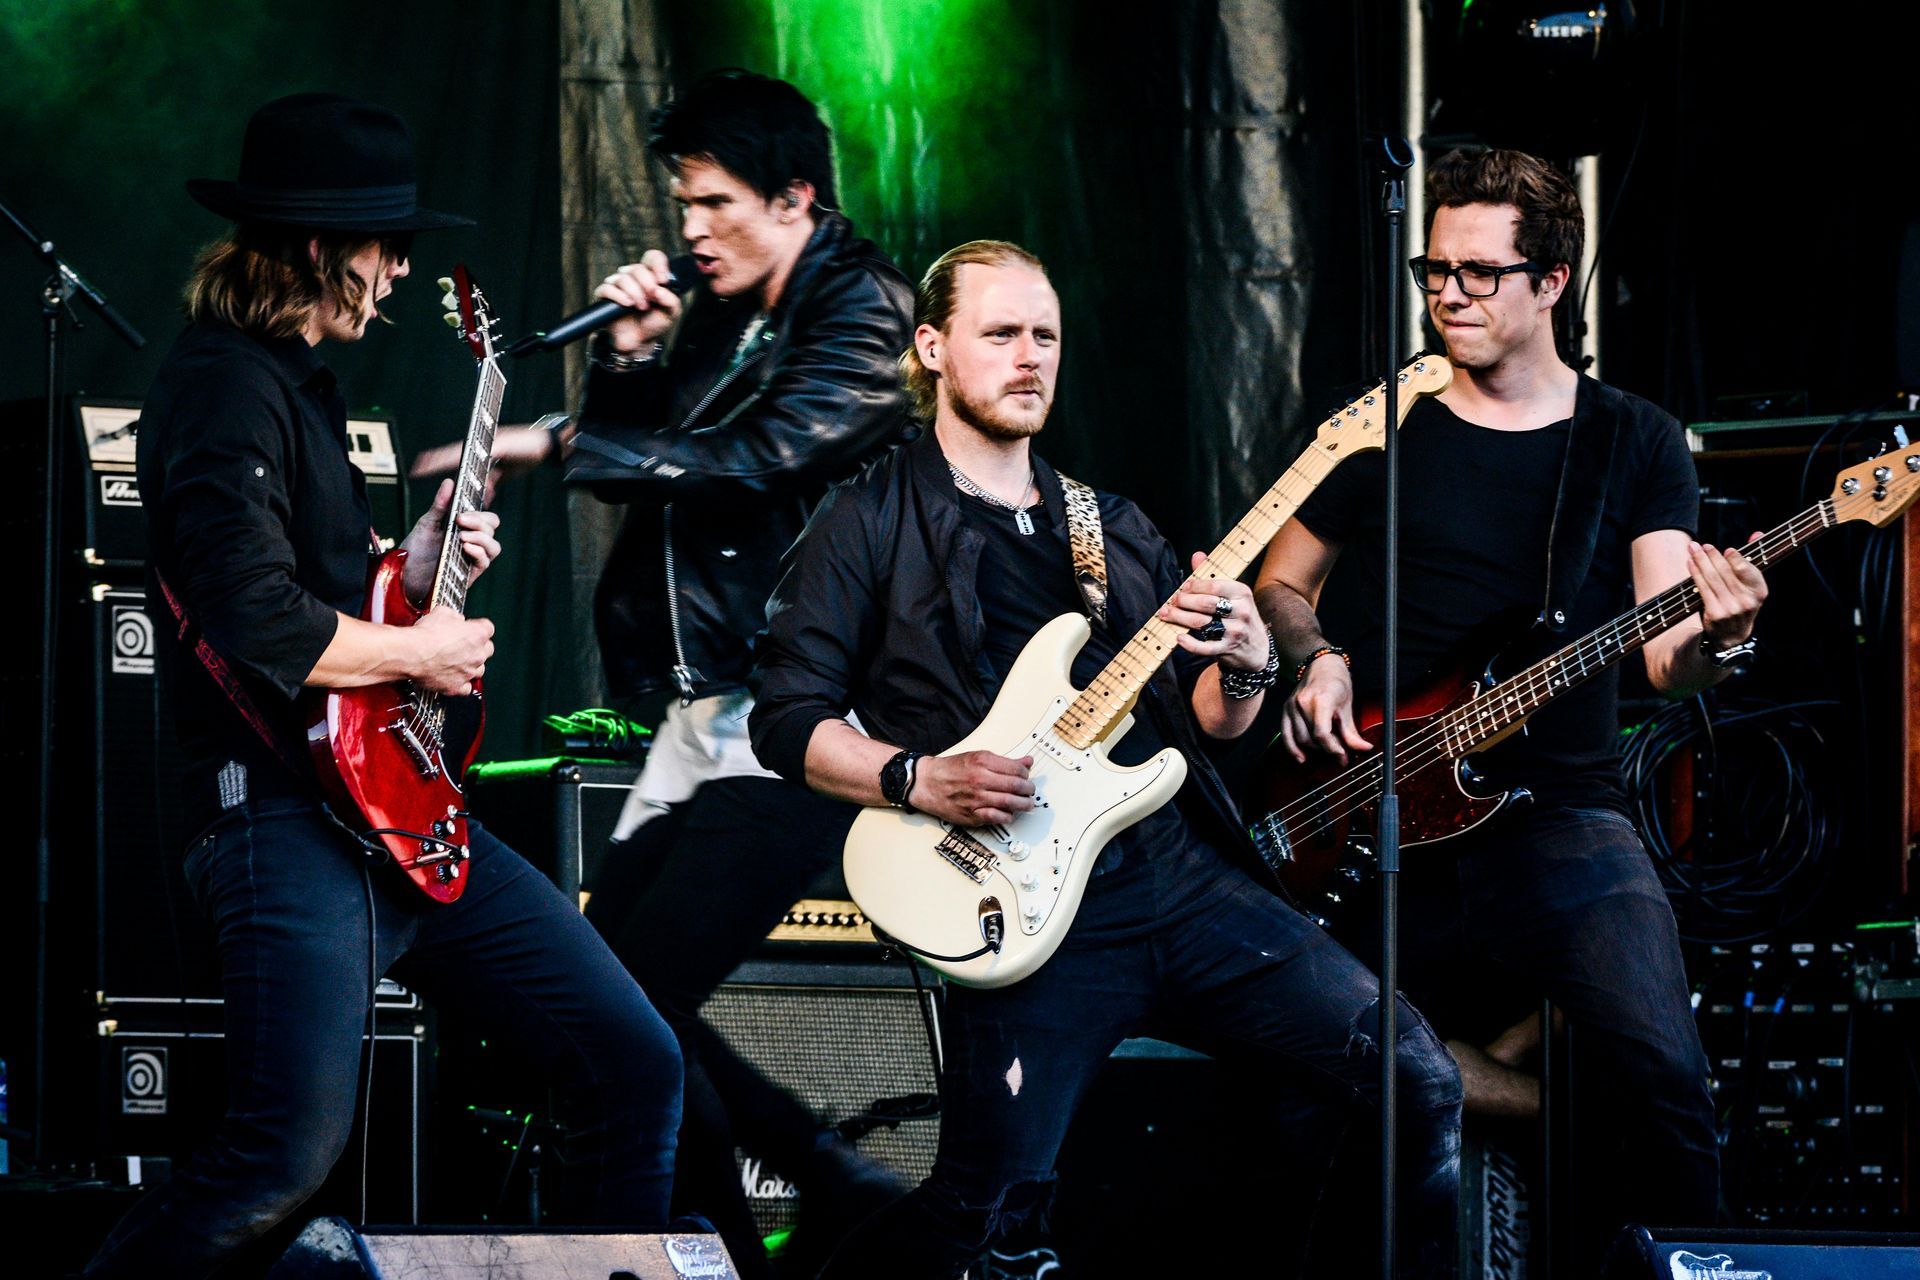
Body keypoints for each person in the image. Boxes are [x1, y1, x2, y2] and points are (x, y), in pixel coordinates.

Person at [749, 239, 1463, 1278]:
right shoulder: (867, 519)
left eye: (1046, 335)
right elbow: (787, 715)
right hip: (1022, 899)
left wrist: (1253, 660)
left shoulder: (1107, 525)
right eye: (1001, 334)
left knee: (1412, 1075)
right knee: (983, 1215)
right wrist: (918, 775)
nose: (1030, 356)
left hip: (1172, 880)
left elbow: (1209, 724)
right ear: (934, 348)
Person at [84, 94, 682, 1278]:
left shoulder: (297, 386)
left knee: (632, 1057)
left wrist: (412, 573)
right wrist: (424, 652)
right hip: (281, 817)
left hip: (391, 812)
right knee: (277, 1154)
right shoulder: (219, 387)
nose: (401, 267)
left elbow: (322, 585)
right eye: (386, 244)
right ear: (319, 248)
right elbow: (257, 614)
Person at [421, 69, 917, 1273]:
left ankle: (819, 1179)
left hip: (810, 707)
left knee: (631, 997)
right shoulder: (728, 307)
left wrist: (563, 439)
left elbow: (755, 456)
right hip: (707, 713)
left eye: (714, 203)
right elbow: (673, 448)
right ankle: (750, 1230)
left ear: (796, 196)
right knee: (617, 1001)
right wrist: (636, 359)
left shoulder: (866, 310)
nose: (690, 229)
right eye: (683, 203)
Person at [1253, 148, 1766, 1252]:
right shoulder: (1385, 419)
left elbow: (1669, 655)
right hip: (1366, 799)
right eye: (1433, 267)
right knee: (1312, 1070)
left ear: (1553, 280)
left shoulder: (1631, 439)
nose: (1448, 292)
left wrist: (1726, 634)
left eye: (1480, 272)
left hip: (1557, 811)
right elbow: (1283, 581)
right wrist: (1316, 657)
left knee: (1663, 1072)